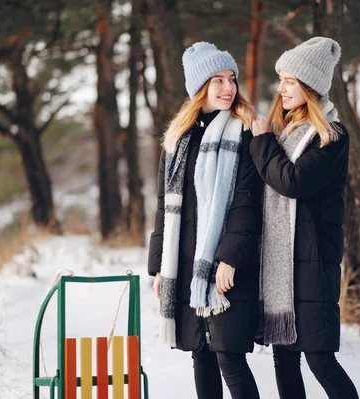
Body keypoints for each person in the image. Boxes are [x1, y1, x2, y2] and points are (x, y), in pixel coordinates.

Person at [147, 41, 262, 399]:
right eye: (218, 81)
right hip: (185, 264)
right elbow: (164, 206)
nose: (228, 88)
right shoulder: (179, 140)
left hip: (227, 265)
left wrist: (230, 257)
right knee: (201, 354)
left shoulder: (244, 133)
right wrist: (158, 270)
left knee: (229, 356)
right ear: (200, 88)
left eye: (231, 79)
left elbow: (247, 201)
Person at [249, 37, 359, 399]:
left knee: (320, 360)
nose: (280, 88)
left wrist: (262, 142)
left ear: (309, 86)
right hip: (283, 268)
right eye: (280, 79)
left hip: (313, 267)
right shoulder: (285, 134)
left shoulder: (331, 137)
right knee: (284, 360)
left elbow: (292, 182)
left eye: (290, 81)